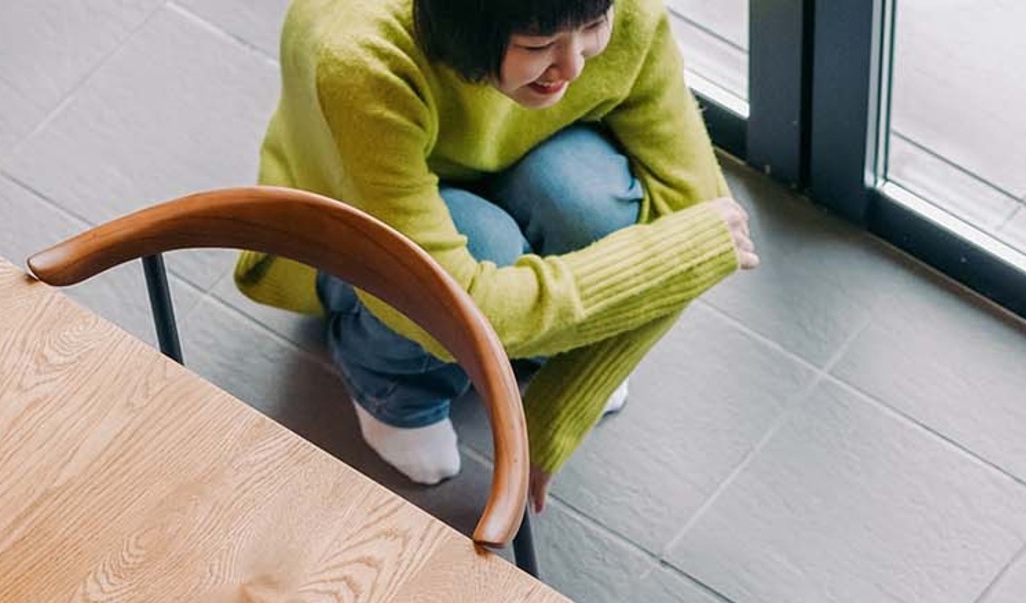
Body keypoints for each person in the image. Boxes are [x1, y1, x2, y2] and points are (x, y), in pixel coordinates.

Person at [239, 0, 756, 502]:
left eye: (594, 25)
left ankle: (538, 341)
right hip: (360, 208)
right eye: (539, 43)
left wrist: (564, 402)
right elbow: (453, 309)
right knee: (480, 252)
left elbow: (698, 223)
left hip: (506, 149)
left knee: (591, 206)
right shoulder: (365, 62)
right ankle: (390, 385)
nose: (574, 64)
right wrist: (675, 260)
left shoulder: (617, 9)